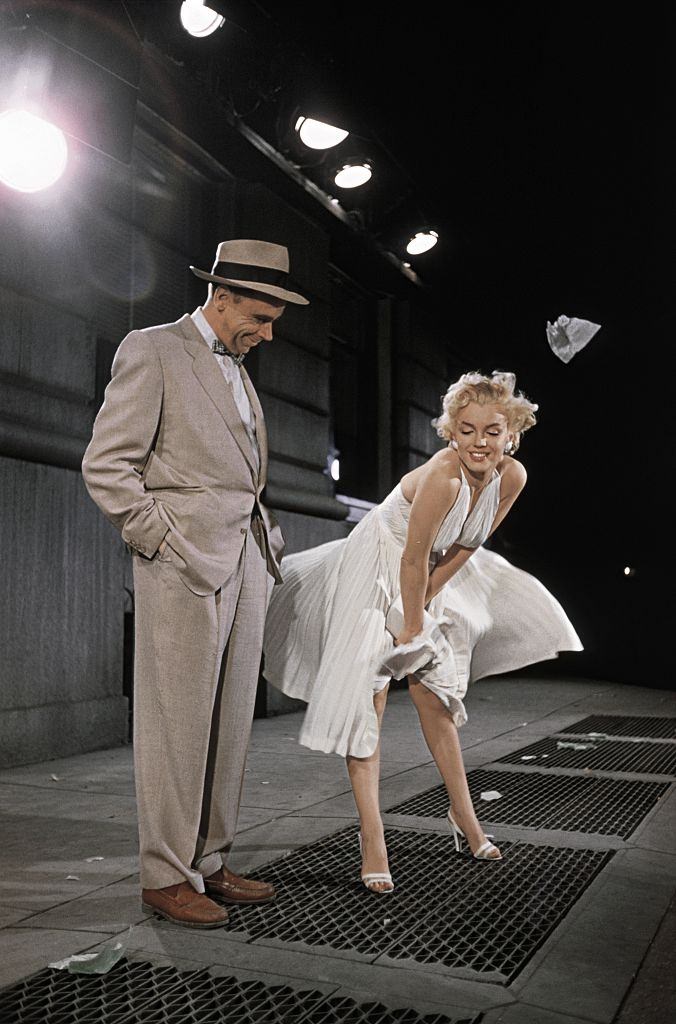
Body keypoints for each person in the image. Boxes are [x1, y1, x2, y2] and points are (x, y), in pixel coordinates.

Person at [263, 371, 582, 892]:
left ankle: (465, 819)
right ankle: (372, 838)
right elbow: (409, 558)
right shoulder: (445, 478)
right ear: (451, 432)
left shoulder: (513, 478)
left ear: (511, 434)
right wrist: (411, 631)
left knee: (435, 696)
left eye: (492, 431)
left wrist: (428, 610)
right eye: (467, 429)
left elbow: (467, 546)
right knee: (372, 698)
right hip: (378, 565)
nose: (480, 442)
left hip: (427, 572)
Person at [82, 239, 308, 926]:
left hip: (242, 562)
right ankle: (164, 875)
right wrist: (162, 541)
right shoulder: (151, 349)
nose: (268, 333)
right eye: (262, 316)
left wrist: (262, 534)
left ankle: (208, 862)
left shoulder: (239, 368)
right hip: (181, 565)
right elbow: (107, 466)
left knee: (230, 722)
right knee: (176, 725)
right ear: (224, 294)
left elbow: (237, 468)